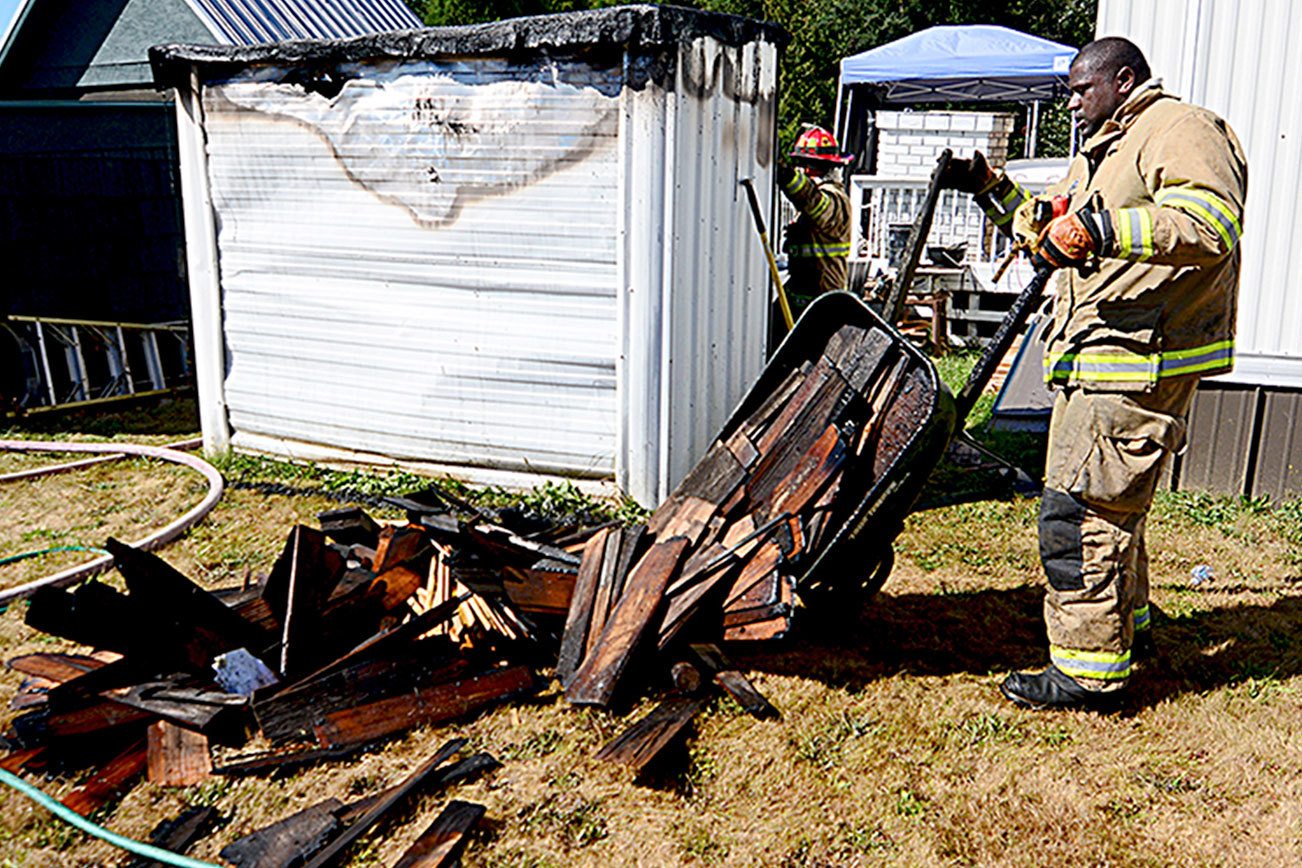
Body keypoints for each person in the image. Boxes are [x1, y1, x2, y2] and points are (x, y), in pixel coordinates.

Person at [940, 37, 1248, 710]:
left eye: (1082, 89)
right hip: (1106, 357)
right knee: (1113, 508)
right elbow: (1048, 225)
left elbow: (1212, 221)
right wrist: (993, 189)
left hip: (1137, 359)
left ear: (1124, 78)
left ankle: (1087, 670)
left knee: (1078, 513)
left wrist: (1103, 231)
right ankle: (1125, 628)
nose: (1072, 103)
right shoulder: (1103, 153)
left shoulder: (1178, 128)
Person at [777, 125, 853, 317]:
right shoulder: (811, 204)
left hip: (823, 304)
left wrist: (787, 176)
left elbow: (815, 203)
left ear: (814, 168)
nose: (799, 170)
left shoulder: (835, 200)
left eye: (801, 165)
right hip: (802, 298)